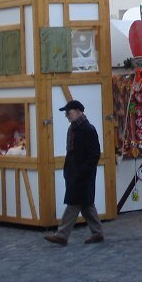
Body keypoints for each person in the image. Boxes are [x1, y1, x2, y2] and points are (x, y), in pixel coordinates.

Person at [44, 100, 104, 245]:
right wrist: (68, 170)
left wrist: (82, 171)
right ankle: (97, 233)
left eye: (68, 112)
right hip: (74, 173)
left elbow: (94, 155)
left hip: (83, 175)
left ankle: (62, 235)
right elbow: (71, 153)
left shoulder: (88, 130)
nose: (66, 115)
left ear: (78, 111)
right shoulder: (73, 129)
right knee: (86, 205)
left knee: (73, 203)